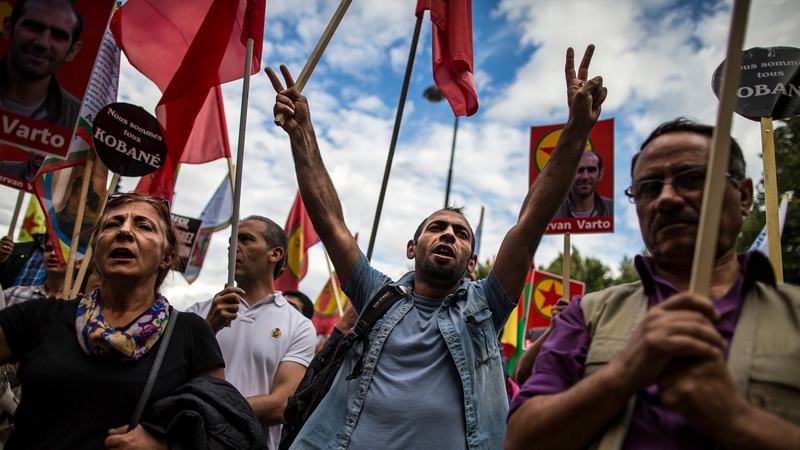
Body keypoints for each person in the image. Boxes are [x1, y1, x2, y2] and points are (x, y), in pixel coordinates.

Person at [266, 44, 607, 449]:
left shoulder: (486, 306)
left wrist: (576, 131)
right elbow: (330, 222)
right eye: (437, 228)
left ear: (471, 262)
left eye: (461, 233)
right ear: (412, 248)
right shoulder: (377, 295)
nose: (448, 235)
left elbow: (532, 219)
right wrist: (302, 134)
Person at [506, 118, 800, 450]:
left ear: (744, 196)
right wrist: (625, 372)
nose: (667, 199)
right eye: (649, 188)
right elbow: (520, 439)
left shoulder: (793, 314)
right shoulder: (588, 314)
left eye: (692, 178)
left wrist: (738, 420)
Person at [0, 192, 226, 448]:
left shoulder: (189, 333)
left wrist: (164, 445)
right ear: (95, 248)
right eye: (112, 224)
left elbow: (218, 431)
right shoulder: (40, 315)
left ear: (167, 256)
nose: (124, 231)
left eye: (143, 226)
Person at [186, 215, 316, 450]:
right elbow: (173, 377)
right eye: (232, 241)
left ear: (275, 254)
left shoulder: (299, 326)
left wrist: (208, 411)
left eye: (245, 239)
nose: (234, 247)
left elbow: (281, 406)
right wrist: (209, 328)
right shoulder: (197, 313)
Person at [0, 0, 82, 128]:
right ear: (8, 28)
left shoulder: (80, 121)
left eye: (58, 36)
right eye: (34, 27)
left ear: (72, 51)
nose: (43, 43)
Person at [4, 233, 69, 304]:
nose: (52, 253)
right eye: (48, 249)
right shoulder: (14, 294)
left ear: (77, 261)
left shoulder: (77, 302)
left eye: (62, 250)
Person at [554, 149, 613, 218]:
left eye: (591, 170)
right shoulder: (551, 212)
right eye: (579, 170)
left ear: (600, 175)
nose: (585, 177)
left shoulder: (613, 209)